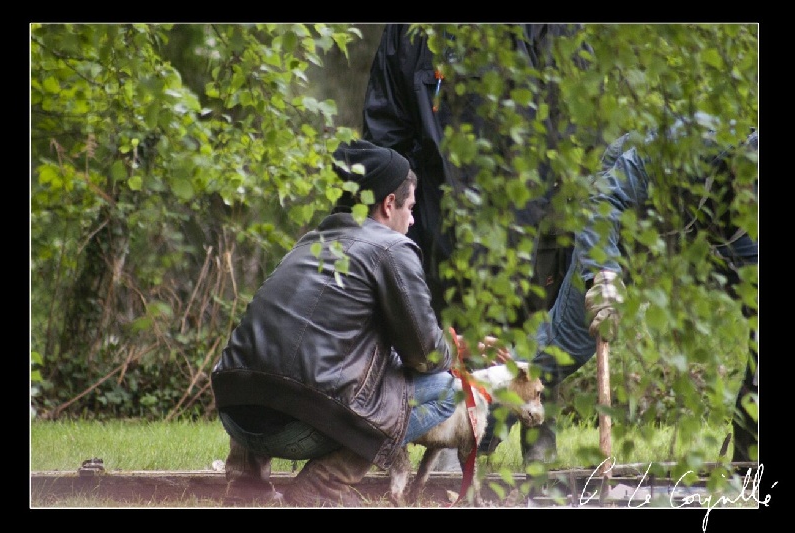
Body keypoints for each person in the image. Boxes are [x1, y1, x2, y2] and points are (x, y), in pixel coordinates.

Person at [210, 139, 499, 506]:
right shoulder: (392, 248)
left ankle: (246, 487)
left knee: (269, 360)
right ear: (389, 204)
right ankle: (321, 486)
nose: (412, 220)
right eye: (410, 207)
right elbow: (425, 355)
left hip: (236, 414)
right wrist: (452, 351)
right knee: (445, 389)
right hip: (298, 426)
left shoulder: (310, 243)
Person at [362, 23, 594, 465]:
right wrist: (401, 209)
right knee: (449, 339)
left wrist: (566, 208)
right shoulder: (412, 33)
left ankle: (540, 464)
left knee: (534, 337)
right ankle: (446, 458)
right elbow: (386, 131)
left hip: (533, 218)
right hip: (440, 221)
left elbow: (580, 118)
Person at [517, 114, 758, 464]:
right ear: (739, 163)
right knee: (572, 338)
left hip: (710, 228)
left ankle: (749, 460)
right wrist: (603, 273)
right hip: (631, 210)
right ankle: (471, 425)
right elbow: (604, 199)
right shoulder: (686, 146)